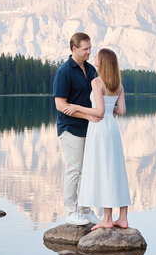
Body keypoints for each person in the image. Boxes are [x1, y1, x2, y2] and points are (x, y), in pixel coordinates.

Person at [63, 48, 131, 230]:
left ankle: (107, 219)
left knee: (104, 169)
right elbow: (122, 110)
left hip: (100, 128)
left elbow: (98, 112)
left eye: (97, 57)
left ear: (103, 63)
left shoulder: (97, 82)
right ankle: (122, 218)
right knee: (116, 168)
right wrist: (111, 109)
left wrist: (78, 107)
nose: (94, 58)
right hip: (112, 128)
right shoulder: (119, 84)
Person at [53, 32, 101, 226]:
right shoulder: (64, 71)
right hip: (70, 128)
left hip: (89, 128)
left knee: (87, 170)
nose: (90, 51)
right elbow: (60, 104)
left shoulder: (90, 70)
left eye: (90, 48)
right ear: (74, 49)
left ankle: (85, 209)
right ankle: (71, 211)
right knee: (74, 169)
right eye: (85, 49)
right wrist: (87, 115)